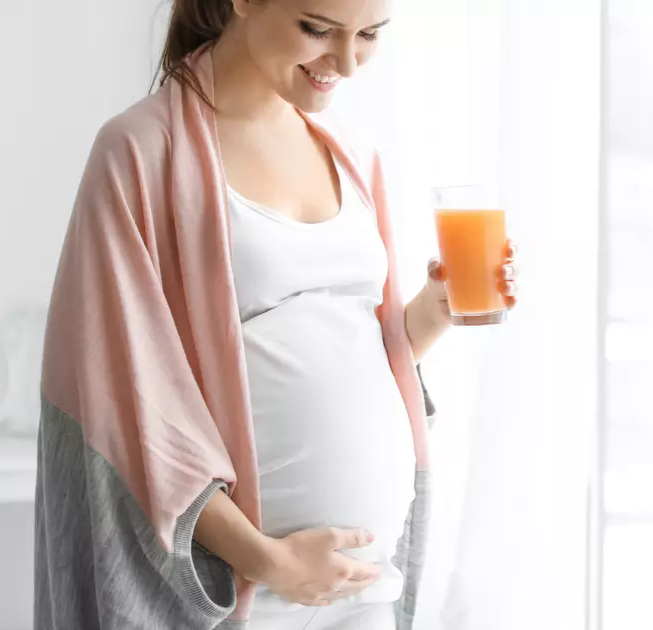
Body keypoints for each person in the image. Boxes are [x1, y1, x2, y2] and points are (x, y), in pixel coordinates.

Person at [33, 1, 519, 629]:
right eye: (317, 30)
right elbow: (128, 407)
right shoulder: (140, 152)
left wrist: (435, 309)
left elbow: (363, 355)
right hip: (241, 595)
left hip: (363, 588)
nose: (345, 63)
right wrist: (266, 560)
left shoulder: (349, 150)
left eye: (369, 36)